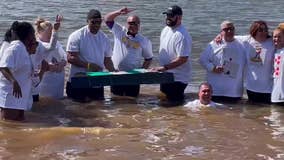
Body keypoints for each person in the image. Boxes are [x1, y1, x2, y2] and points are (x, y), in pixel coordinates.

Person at [215, 21, 274, 103]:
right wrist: (219, 36)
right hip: (251, 87)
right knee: (254, 113)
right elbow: (229, 37)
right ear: (254, 31)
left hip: (269, 88)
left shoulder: (272, 42)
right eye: (260, 30)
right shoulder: (247, 40)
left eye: (265, 30)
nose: (264, 32)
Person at [0, 22, 49, 121]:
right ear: (29, 35)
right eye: (33, 34)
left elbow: (32, 80)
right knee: (9, 126)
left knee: (17, 127)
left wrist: (42, 71)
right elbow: (3, 67)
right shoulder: (15, 48)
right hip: (11, 97)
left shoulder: (26, 51)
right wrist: (14, 82)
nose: (34, 37)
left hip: (22, 99)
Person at [66, 9, 115, 102]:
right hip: (79, 80)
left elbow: (107, 60)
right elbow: (70, 58)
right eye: (93, 22)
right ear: (87, 21)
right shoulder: (76, 35)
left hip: (97, 80)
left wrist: (114, 72)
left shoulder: (104, 38)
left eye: (99, 22)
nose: (96, 25)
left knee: (99, 109)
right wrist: (89, 66)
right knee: (76, 111)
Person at [104, 7, 153, 97]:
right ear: (127, 24)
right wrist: (118, 12)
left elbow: (148, 58)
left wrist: (141, 71)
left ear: (139, 25)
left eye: (135, 23)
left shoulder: (144, 41)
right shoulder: (119, 31)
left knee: (133, 103)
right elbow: (107, 19)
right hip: (117, 74)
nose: (133, 25)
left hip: (133, 77)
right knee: (115, 101)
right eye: (130, 23)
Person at [152, 5, 192, 102]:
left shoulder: (182, 35)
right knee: (164, 103)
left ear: (179, 17)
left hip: (178, 78)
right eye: (167, 15)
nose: (168, 18)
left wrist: (164, 67)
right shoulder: (165, 30)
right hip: (166, 75)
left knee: (173, 105)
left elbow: (182, 59)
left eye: (171, 16)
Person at [199, 21, 246, 103]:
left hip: (234, 92)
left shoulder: (242, 44)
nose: (229, 31)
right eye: (226, 29)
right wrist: (212, 68)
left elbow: (255, 37)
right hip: (216, 91)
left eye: (231, 29)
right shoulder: (214, 44)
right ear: (221, 32)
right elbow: (203, 59)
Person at [31, 15, 63, 102]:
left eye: (51, 31)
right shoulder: (37, 44)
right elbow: (50, 47)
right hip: (43, 81)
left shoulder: (55, 43)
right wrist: (55, 31)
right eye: (49, 32)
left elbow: (63, 56)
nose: (51, 34)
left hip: (54, 79)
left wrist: (61, 64)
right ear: (40, 31)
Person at [271, 25, 284, 104]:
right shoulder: (275, 51)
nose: (276, 39)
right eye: (275, 37)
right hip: (275, 95)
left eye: (279, 37)